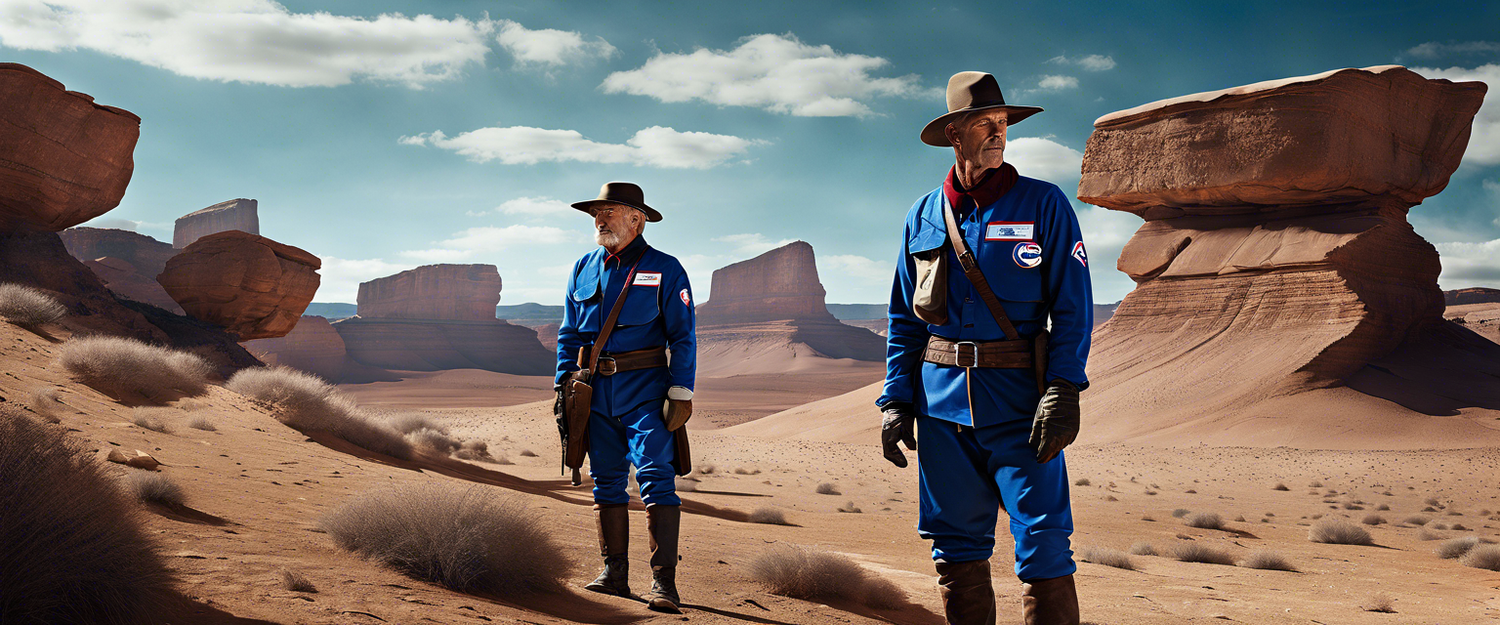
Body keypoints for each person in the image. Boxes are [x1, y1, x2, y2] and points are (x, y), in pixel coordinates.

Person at [877, 72, 1093, 625]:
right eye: (985, 124)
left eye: (1003, 123)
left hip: (1021, 406)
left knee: (1044, 541)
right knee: (955, 546)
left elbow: (1073, 306)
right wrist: (896, 400)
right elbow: (904, 318)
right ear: (954, 134)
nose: (999, 133)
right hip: (941, 410)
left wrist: (1064, 388)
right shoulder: (923, 215)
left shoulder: (1044, 204)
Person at [556, 182, 696, 613]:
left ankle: (664, 584)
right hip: (594, 394)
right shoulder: (582, 267)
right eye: (596, 213)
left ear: (637, 219)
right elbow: (569, 332)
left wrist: (681, 389)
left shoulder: (665, 268)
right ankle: (614, 574)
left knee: (656, 477)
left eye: (609, 211)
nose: (600, 219)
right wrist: (563, 383)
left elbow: (683, 336)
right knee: (606, 480)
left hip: (646, 392)